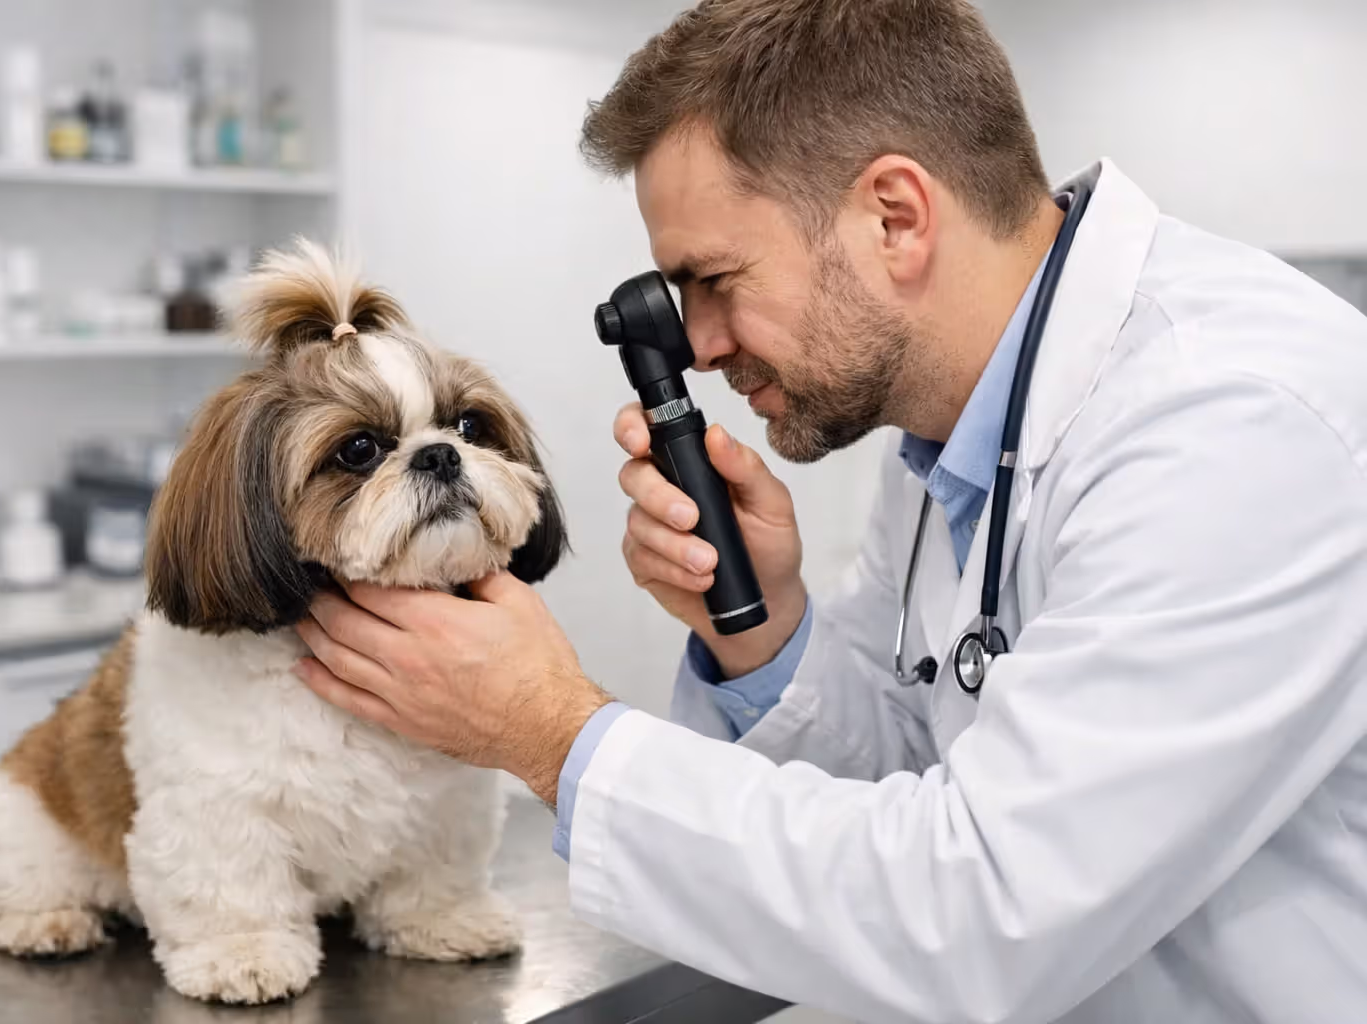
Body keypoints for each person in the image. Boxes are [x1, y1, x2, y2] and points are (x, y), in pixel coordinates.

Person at [290, 0, 1367, 1020]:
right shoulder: (953, 426)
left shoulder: (1231, 421)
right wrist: (762, 628)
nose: (700, 345)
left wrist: (551, 733)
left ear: (894, 216)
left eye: (712, 279)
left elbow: (982, 913)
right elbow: (914, 768)